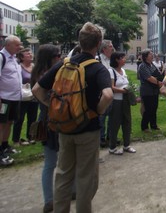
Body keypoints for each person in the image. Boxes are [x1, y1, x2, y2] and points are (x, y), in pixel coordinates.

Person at [32, 22, 113, 213]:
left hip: (64, 128)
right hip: (88, 130)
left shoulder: (64, 64)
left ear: (80, 41)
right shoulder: (97, 68)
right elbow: (108, 95)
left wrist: (52, 108)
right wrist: (97, 111)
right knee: (86, 178)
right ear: (98, 43)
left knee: (63, 174)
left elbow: (37, 89)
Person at [30, 44, 67, 213]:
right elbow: (40, 93)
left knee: (57, 161)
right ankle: (50, 199)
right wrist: (49, 105)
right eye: (57, 55)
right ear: (49, 57)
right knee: (55, 161)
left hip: (50, 117)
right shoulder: (45, 74)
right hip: (51, 119)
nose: (59, 58)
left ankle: (52, 198)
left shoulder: (39, 72)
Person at [108, 52, 137, 155]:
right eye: (123, 58)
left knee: (127, 122)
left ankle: (126, 145)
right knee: (114, 123)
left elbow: (126, 83)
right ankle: (112, 147)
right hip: (116, 101)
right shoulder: (111, 71)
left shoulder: (123, 70)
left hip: (125, 101)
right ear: (117, 59)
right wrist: (123, 91)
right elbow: (111, 87)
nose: (125, 59)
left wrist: (129, 90)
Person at [0, 35, 23, 166]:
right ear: (8, 45)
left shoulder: (14, 58)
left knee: (9, 122)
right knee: (1, 124)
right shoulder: (1, 57)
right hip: (4, 98)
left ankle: (5, 145)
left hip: (14, 97)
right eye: (17, 45)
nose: (19, 47)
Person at [12, 48, 39, 146]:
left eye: (31, 53)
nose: (30, 55)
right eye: (27, 54)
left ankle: (31, 137)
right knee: (19, 118)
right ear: (22, 57)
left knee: (32, 118)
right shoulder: (19, 67)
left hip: (33, 96)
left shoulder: (34, 67)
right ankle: (16, 140)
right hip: (22, 97)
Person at [138, 49, 163, 132]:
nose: (152, 55)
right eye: (150, 54)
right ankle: (144, 127)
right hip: (147, 90)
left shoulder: (152, 64)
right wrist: (158, 82)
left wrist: (158, 79)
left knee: (154, 108)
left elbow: (158, 74)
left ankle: (153, 125)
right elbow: (149, 77)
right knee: (148, 109)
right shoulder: (142, 66)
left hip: (154, 90)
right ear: (145, 57)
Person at [97, 40, 114, 148]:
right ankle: (101, 138)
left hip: (111, 91)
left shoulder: (111, 60)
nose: (112, 48)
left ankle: (110, 136)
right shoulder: (98, 60)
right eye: (110, 46)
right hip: (102, 92)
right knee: (102, 116)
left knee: (111, 116)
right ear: (104, 49)